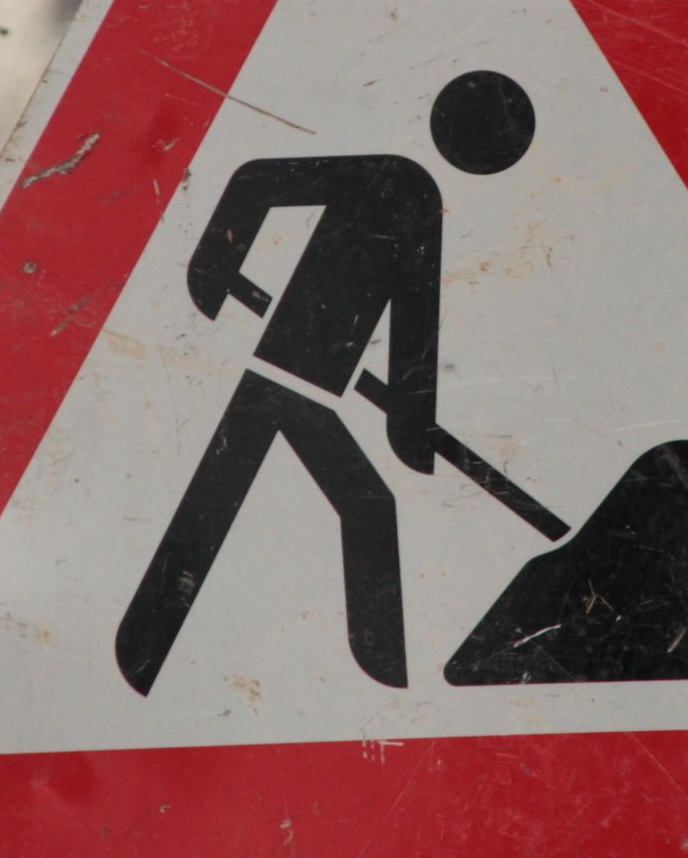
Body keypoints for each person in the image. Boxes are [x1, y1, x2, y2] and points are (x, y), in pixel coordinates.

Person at [113, 70, 536, 694]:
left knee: (235, 500)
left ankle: (142, 649)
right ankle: (384, 682)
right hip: (282, 379)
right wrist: (213, 267)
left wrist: (410, 426)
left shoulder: (411, 193)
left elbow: (415, 335)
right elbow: (258, 181)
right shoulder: (402, 184)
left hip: (300, 388)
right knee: (349, 505)